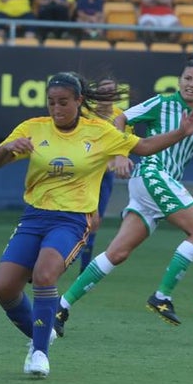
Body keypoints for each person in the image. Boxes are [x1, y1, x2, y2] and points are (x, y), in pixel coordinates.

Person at [0, 71, 193, 378]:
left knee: (45, 273)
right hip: (34, 216)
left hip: (73, 220)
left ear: (79, 101)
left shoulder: (99, 132)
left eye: (63, 102)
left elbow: (142, 146)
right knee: (4, 288)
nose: (56, 108)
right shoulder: (32, 128)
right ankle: (42, 332)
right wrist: (7, 149)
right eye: (51, 102)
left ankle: (39, 353)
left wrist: (181, 132)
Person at [58, 53, 193, 332]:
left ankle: (62, 306)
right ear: (180, 80)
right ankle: (162, 296)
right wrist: (121, 152)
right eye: (187, 79)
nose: (191, 84)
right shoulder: (162, 103)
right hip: (152, 174)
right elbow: (120, 119)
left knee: (117, 253)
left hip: (158, 185)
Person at [75, 78, 128, 272]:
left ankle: (83, 267)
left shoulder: (120, 117)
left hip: (105, 176)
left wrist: (116, 162)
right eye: (102, 89)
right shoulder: (85, 114)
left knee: (95, 222)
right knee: (78, 217)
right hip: (84, 172)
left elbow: (124, 146)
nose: (106, 94)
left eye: (110, 90)